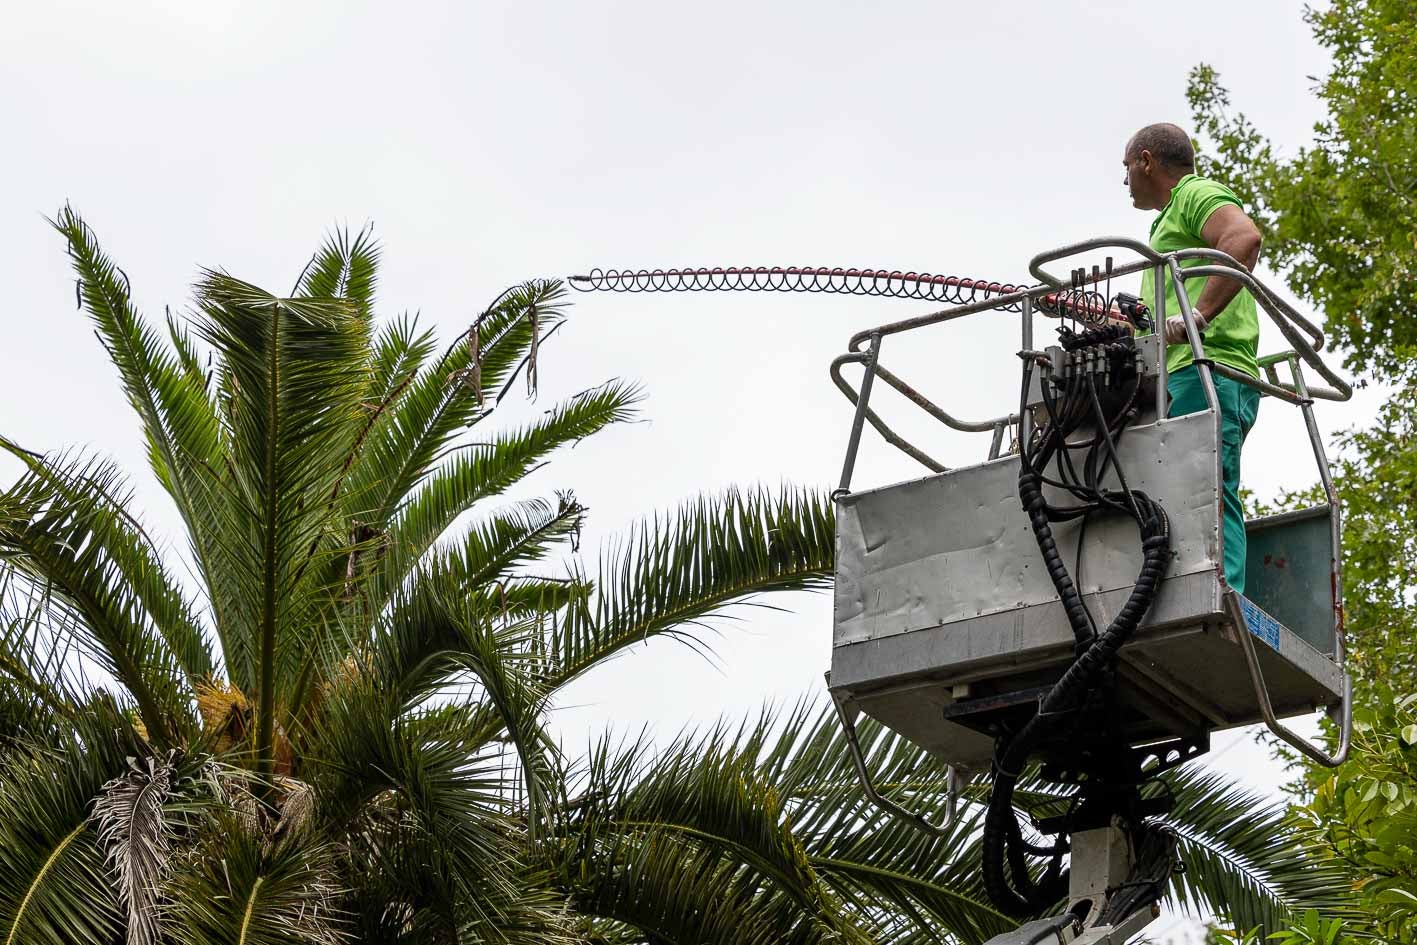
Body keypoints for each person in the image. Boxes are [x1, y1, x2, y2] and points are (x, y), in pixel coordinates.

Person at [1122, 122, 1264, 595]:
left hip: (1208, 367)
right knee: (1176, 489)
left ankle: (1225, 598)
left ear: (1146, 160)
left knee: (1205, 487)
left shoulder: (1194, 193)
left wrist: (1197, 317)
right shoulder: (1166, 223)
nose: (1125, 182)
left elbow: (1243, 239)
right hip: (1185, 368)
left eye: (1127, 169)